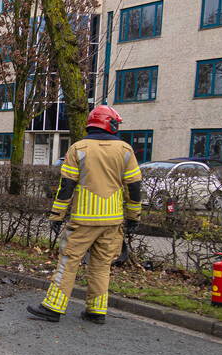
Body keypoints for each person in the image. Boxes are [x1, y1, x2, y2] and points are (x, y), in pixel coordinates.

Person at [27, 105, 143, 325]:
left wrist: (57, 214)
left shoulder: (78, 148)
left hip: (83, 220)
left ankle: (53, 307)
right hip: (113, 221)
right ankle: (96, 311)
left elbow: (66, 186)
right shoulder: (126, 150)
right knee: (102, 266)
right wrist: (133, 216)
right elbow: (134, 187)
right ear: (111, 124)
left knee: (68, 262)